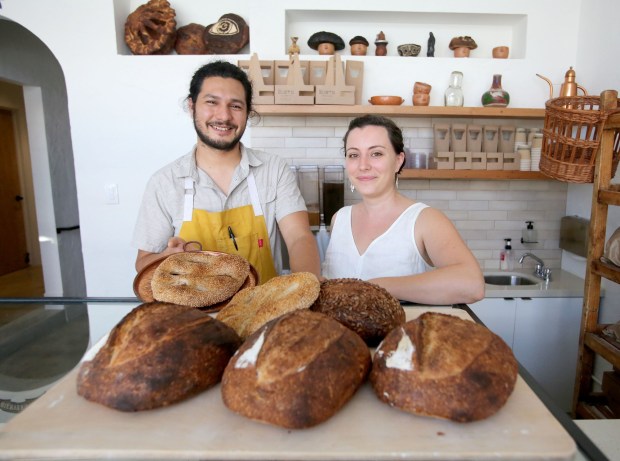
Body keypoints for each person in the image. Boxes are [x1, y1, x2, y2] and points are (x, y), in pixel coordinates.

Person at [132, 60, 321, 282]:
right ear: (192, 106)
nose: (224, 116)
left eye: (236, 106)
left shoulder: (273, 169)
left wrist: (308, 284)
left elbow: (299, 237)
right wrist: (167, 258)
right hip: (194, 316)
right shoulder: (164, 182)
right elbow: (143, 263)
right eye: (212, 102)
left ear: (247, 112)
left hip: (264, 309)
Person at [321, 115, 484, 305]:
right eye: (354, 155)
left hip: (402, 334)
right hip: (335, 334)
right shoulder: (339, 219)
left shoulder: (425, 220)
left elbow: (472, 285)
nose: (363, 165)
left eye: (376, 154)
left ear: (398, 160)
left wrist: (377, 287)